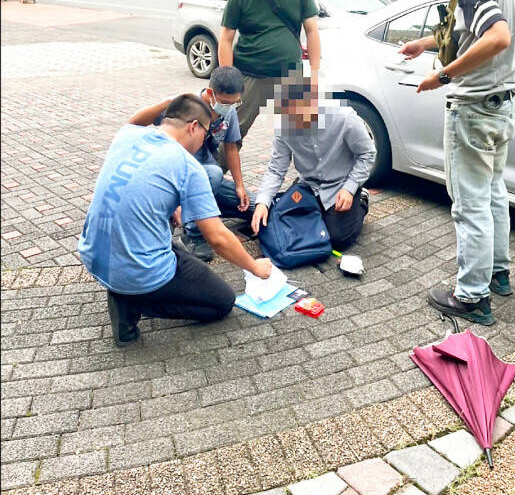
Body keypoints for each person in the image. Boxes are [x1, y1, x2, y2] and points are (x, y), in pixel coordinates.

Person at [399, 0, 515, 326]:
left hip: (473, 108)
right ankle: (499, 273)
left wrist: (443, 74)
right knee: (493, 194)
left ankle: (471, 296)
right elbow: (470, 30)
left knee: (469, 206)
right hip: (505, 105)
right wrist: (424, 43)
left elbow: (498, 37)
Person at [78, 94, 272, 347]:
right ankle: (131, 300)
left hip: (95, 256)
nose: (204, 140)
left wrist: (167, 103)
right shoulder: (187, 165)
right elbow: (216, 237)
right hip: (135, 269)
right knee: (222, 302)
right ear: (193, 126)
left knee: (174, 247)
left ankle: (126, 287)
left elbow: (137, 120)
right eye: (205, 133)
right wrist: (254, 267)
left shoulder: (128, 135)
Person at [127, 66, 253, 262]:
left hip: (207, 182)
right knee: (214, 173)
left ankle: (202, 209)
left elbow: (231, 148)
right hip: (182, 177)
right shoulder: (186, 106)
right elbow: (133, 123)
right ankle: (193, 232)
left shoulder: (229, 112)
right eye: (226, 102)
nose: (230, 107)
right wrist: (167, 103)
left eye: (235, 102)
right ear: (211, 93)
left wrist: (239, 185)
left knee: (253, 206)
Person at [218, 0, 321, 147]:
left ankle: (307, 178)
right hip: (250, 76)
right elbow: (226, 39)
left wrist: (315, 74)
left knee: (300, 135)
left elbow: (312, 31)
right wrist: (228, 80)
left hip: (291, 75)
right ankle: (214, 175)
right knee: (230, 132)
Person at [251, 78, 376, 250]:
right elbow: (276, 170)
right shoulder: (283, 126)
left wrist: (350, 188)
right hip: (308, 184)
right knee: (282, 223)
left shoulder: (344, 118)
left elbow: (367, 153)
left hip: (340, 184)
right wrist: (263, 203)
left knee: (337, 239)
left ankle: (360, 200)